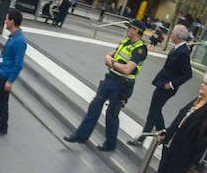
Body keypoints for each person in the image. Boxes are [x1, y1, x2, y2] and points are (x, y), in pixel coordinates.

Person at [63, 20, 148, 151]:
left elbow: (127, 69)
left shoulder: (140, 49)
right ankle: (81, 135)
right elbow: (109, 54)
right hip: (110, 79)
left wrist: (112, 63)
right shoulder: (126, 41)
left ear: (136, 31)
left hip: (122, 84)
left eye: (130, 28)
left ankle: (110, 143)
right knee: (94, 106)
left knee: (112, 114)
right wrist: (109, 59)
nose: (127, 29)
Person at [127, 25, 193, 146]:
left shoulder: (183, 52)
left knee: (154, 111)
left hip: (167, 86)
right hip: (162, 82)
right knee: (156, 110)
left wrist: (172, 84)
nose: (170, 34)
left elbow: (188, 74)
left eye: (172, 33)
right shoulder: (177, 48)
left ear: (177, 36)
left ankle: (142, 138)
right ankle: (163, 135)